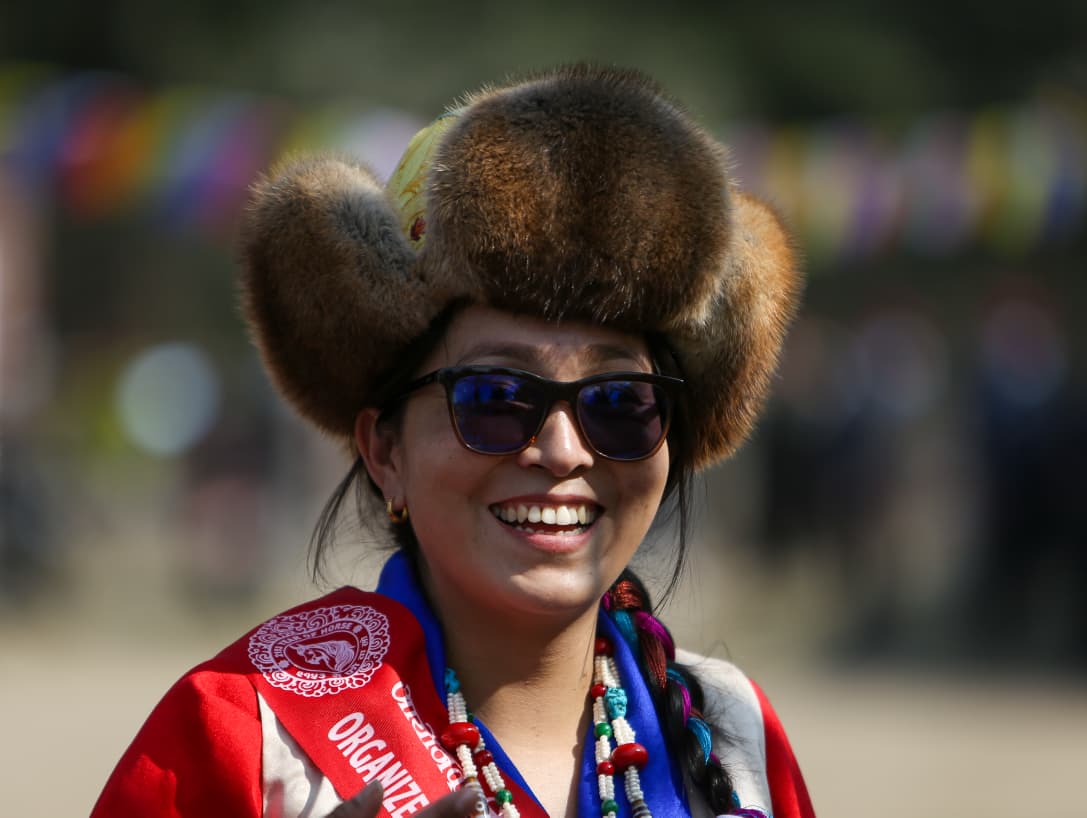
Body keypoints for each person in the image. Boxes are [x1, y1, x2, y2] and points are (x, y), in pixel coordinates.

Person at [92, 65, 813, 818]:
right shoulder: (245, 733)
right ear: (385, 452)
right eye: (495, 398)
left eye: (619, 403)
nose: (563, 451)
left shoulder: (734, 738)